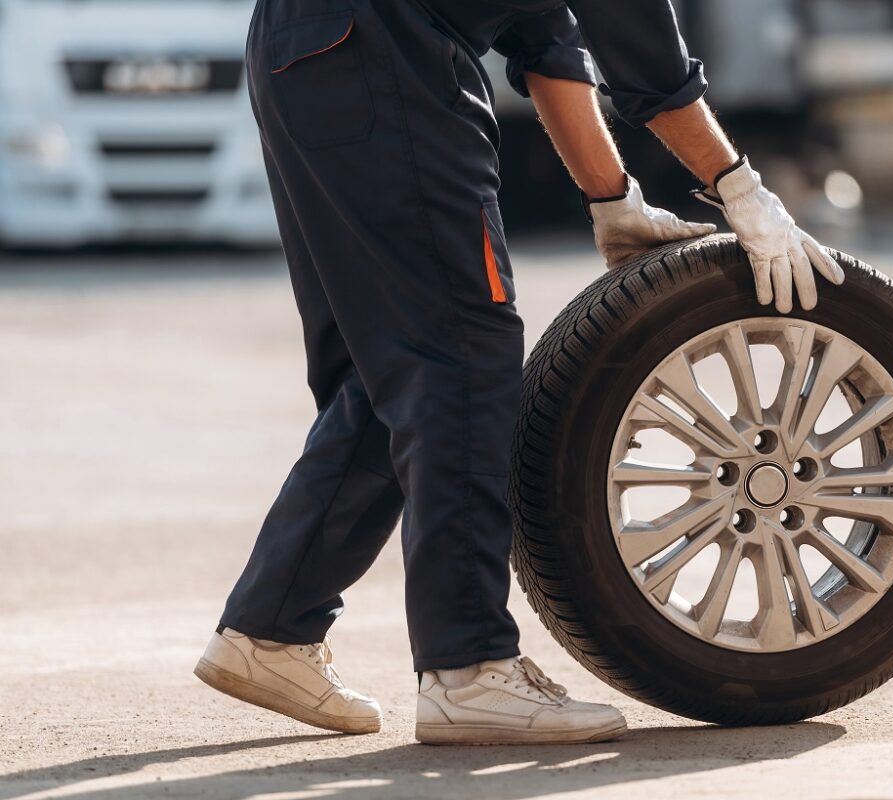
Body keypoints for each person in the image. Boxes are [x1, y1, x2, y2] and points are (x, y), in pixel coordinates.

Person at [194, 0, 844, 746]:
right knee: (460, 356)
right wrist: (742, 192)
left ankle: (272, 630)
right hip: (386, 61)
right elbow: (648, 64)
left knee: (387, 374)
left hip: (304, 53)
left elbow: (548, 39)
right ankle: (469, 669)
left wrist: (613, 199)